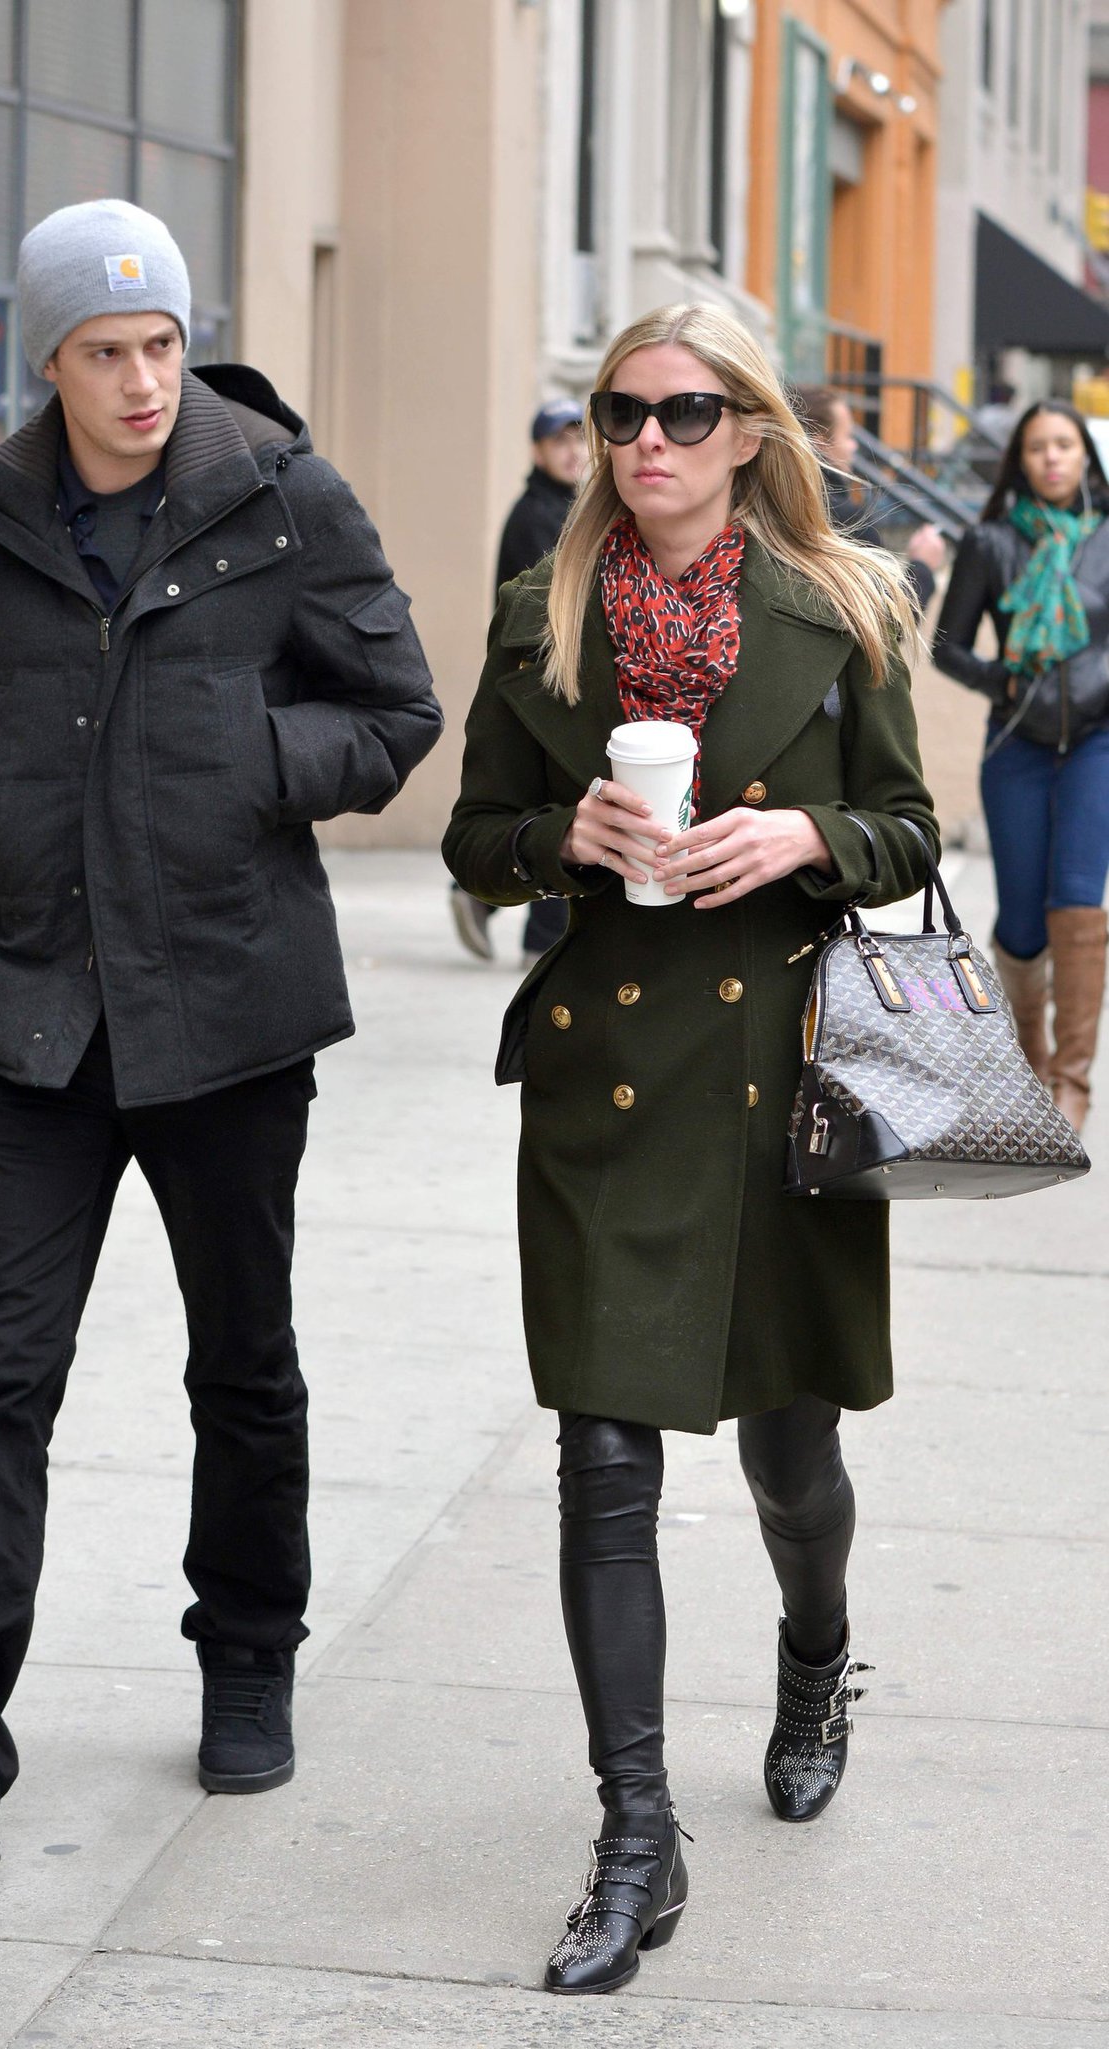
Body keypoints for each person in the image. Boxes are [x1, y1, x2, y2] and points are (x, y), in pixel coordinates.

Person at [0, 199, 441, 1869]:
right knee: (0, 1374)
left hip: (228, 1006)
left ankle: (247, 1652)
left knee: (240, 1358)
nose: (143, 379)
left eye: (162, 343)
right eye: (106, 351)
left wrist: (250, 759)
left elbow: (396, 708)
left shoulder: (282, 495)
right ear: (50, 360)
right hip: (33, 1013)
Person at [444, 302, 936, 1996]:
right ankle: (635, 1837)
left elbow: (909, 830)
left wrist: (806, 834)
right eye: (619, 413)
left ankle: (814, 1656)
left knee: (792, 1459)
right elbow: (473, 833)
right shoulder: (542, 609)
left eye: (683, 411)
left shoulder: (844, 607)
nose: (646, 441)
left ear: (747, 431)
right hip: (606, 1084)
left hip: (782, 1085)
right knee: (602, 1462)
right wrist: (558, 836)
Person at [932, 400, 1109, 1131]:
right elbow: (946, 644)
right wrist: (1000, 682)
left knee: (1078, 900)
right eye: (1038, 447)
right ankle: (1030, 1066)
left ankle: (1072, 1081)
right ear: (1021, 462)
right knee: (1023, 921)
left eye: (1065, 444)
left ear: (1085, 456)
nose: (1052, 458)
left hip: (1096, 743)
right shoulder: (991, 542)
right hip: (1016, 745)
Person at [451, 400, 587, 969]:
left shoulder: (569, 508)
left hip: (554, 678)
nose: (573, 451)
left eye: (579, 439)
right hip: (544, 682)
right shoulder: (538, 516)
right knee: (567, 805)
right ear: (537, 451)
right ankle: (538, 936)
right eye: (560, 442)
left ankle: (483, 900)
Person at [793, 385, 946, 611]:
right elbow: (888, 618)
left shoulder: (765, 502)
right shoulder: (849, 521)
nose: (854, 446)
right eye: (848, 436)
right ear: (820, 443)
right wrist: (922, 566)